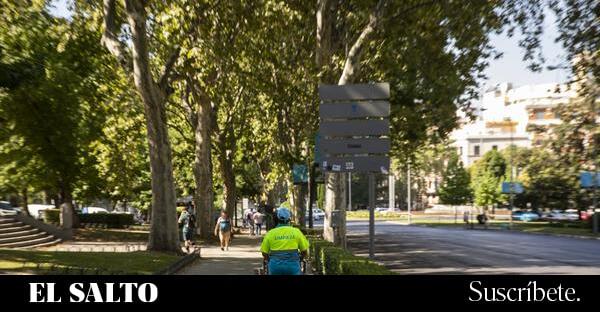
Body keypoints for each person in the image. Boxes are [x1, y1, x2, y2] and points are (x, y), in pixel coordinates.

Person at [260, 208, 309, 275]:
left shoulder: (270, 233)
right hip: (293, 267)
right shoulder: (296, 232)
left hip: (275, 267)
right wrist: (299, 259)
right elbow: (304, 251)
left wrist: (270, 260)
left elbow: (264, 253)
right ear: (289, 219)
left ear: (277, 219)